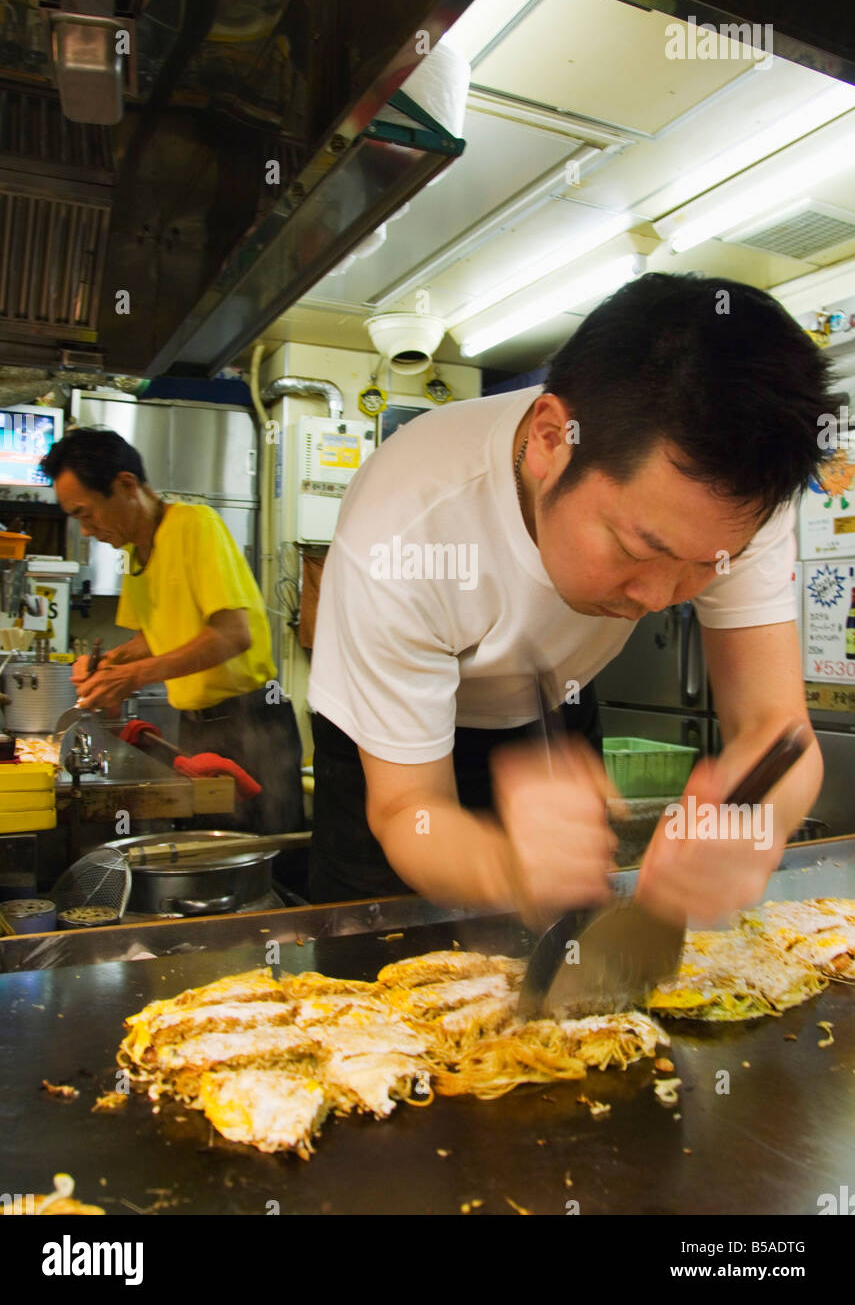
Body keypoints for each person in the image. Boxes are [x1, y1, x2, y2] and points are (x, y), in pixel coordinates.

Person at [308, 272, 833, 927]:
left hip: (549, 702)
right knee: (376, 955)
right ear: (552, 440)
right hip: (384, 755)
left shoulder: (735, 496)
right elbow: (404, 808)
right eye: (636, 550)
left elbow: (775, 731)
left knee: (572, 945)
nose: (657, 599)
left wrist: (753, 821)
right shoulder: (402, 531)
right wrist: (507, 867)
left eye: (702, 568)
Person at [41, 428, 304, 837]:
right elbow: (156, 635)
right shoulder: (133, 554)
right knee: (212, 849)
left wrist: (133, 676)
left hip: (250, 722)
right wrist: (110, 663)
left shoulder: (195, 525)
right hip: (198, 727)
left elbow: (233, 635)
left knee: (267, 852)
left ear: (126, 485)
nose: (86, 530)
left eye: (85, 513)